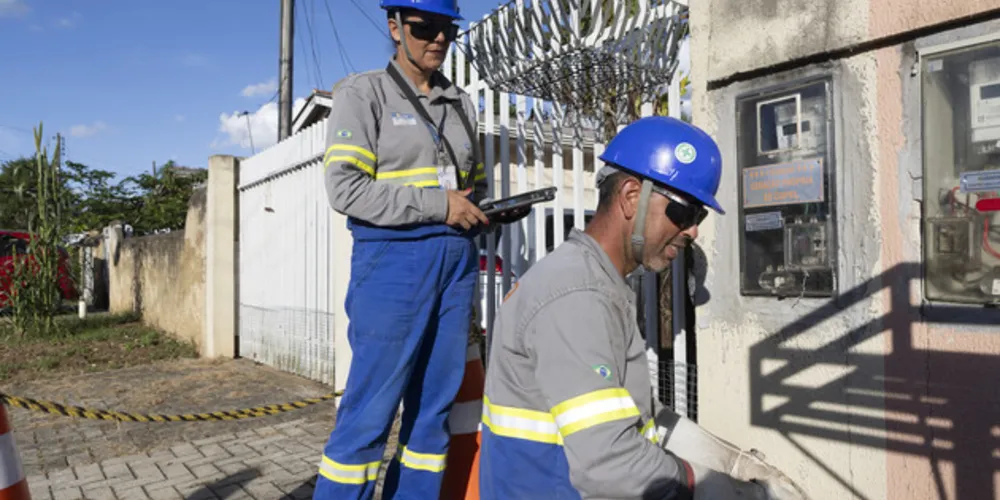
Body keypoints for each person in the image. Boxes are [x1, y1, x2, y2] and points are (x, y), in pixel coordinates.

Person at [478, 116, 809, 499]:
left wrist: (731, 462)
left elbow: (632, 414)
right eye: (685, 213)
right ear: (632, 197)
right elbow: (610, 465)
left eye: (698, 217)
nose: (693, 231)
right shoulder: (577, 296)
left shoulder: (597, 282)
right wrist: (736, 493)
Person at [312, 1, 523, 498]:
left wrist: (487, 210)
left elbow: (467, 190)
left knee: (433, 413)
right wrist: (438, 206)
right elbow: (346, 190)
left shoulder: (461, 104)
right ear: (394, 27)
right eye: (423, 28)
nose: (438, 39)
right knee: (370, 413)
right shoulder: (364, 94)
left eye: (447, 29)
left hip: (455, 262)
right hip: (392, 262)